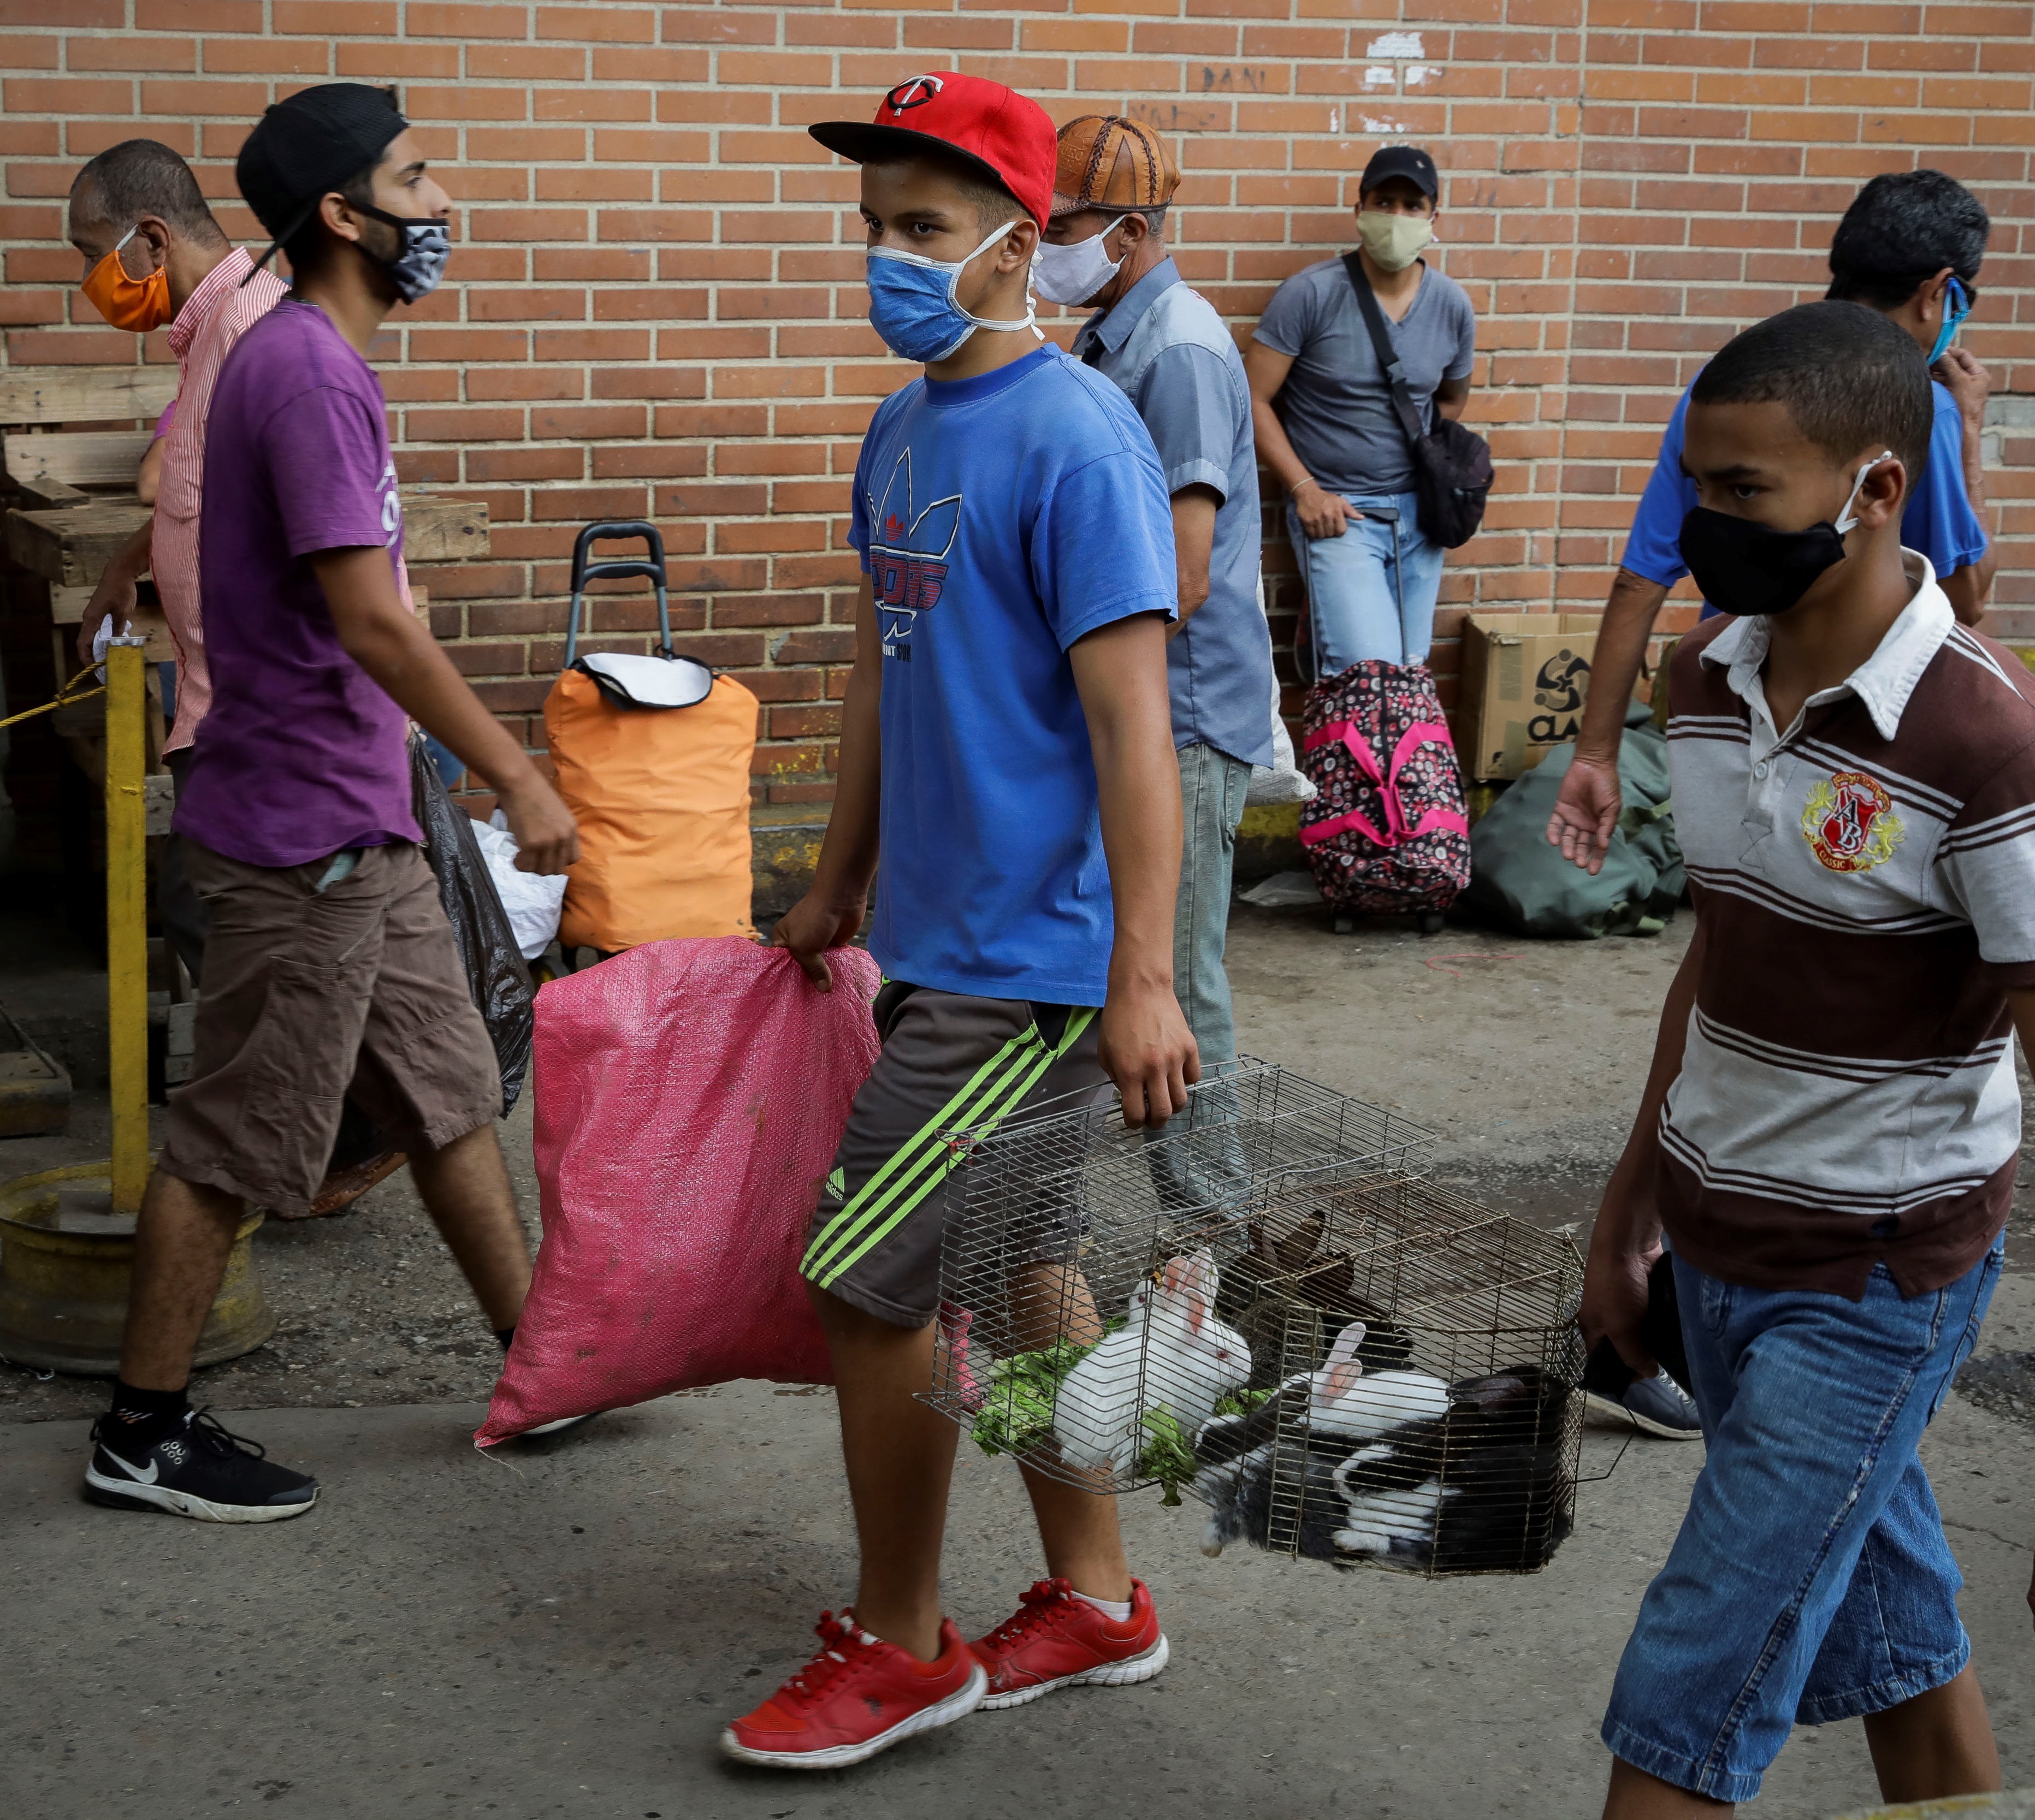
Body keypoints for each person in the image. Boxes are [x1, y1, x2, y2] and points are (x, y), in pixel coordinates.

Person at [1582, 302, 2035, 1815]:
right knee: (1894, 1650)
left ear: (1878, 489)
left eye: (1742, 494)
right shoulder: (1708, 688)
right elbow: (1720, 960)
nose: (1703, 527)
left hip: (1874, 1283)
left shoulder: (1997, 753)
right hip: (1718, 1255)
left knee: (1682, 1703)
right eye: (1694, 485)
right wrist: (1630, 1201)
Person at [730, 71, 1199, 1770]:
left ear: (1018, 242)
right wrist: (838, 871)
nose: (889, 260)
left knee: (865, 1280)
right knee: (1016, 1266)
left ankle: (902, 1639)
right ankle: (1091, 1595)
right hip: (935, 932)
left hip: (1031, 969)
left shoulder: (1080, 442)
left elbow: (1133, 732)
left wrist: (1138, 979)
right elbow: (881, 668)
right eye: (873, 229)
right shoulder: (904, 425)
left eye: (922, 229)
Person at [79, 84, 581, 1525]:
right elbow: (374, 620)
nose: (439, 206)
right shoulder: (304, 374)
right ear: (345, 217)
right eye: (414, 181)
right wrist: (520, 769)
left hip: (365, 810)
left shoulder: (315, 362)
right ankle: (145, 1427)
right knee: (239, 1135)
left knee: (443, 1088)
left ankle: (540, 1364)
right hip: (303, 830)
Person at [1549, 170, 1999, 876]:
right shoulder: (1926, 415)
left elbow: (1639, 581)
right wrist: (1969, 431)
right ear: (1940, 293)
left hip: (1732, 722)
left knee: (1735, 916)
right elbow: (1969, 598)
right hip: (1865, 746)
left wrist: (1596, 754)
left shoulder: (1725, 392)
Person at [1037, 114, 1273, 1076]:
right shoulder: (1113, 339)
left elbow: (1181, 575)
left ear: (1127, 235)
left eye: (1059, 228)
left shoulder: (1176, 349)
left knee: (1172, 975)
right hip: (1144, 706)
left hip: (1181, 712)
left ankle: (1206, 1221)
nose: (1043, 248)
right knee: (1118, 961)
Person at [63, 138, 287, 981]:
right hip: (221, 707)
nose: (91, 281)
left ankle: (284, 1107)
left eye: (94, 255)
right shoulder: (209, 338)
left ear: (152, 243)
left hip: (258, 722)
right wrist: (130, 559)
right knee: (206, 923)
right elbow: (202, 490)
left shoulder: (256, 337)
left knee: (232, 936)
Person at [1243, 144, 1476, 675]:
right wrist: (1304, 489)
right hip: (1338, 517)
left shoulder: (1451, 305)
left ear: (1432, 217)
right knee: (1366, 675)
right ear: (1359, 210)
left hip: (1421, 520)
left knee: (1408, 674)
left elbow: (1450, 400)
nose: (1396, 217)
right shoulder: (1309, 295)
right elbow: (1251, 398)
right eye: (1383, 202)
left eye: (1411, 206)